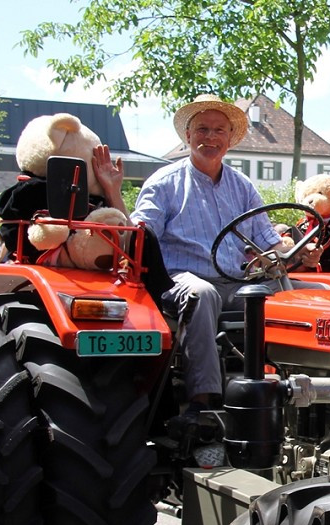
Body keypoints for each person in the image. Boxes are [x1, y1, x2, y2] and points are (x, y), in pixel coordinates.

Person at [131, 94, 309, 416]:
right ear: (188, 136)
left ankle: (293, 389)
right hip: (181, 279)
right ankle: (204, 404)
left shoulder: (242, 186)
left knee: (292, 297)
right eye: (202, 129)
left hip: (235, 281)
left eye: (219, 131)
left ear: (229, 139)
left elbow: (268, 239)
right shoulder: (164, 183)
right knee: (203, 295)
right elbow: (141, 235)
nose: (210, 138)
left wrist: (298, 251)